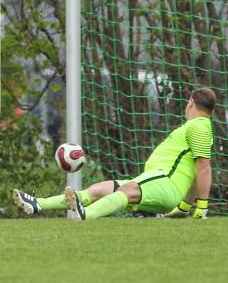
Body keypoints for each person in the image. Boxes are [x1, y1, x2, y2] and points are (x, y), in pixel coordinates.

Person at [12, 87, 215, 221]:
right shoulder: (197, 127)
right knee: (101, 188)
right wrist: (185, 206)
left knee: (127, 190)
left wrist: (202, 206)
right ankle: (38, 204)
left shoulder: (198, 126)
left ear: (190, 103)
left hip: (165, 181)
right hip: (159, 182)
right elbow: (196, 173)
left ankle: (86, 215)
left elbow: (203, 167)